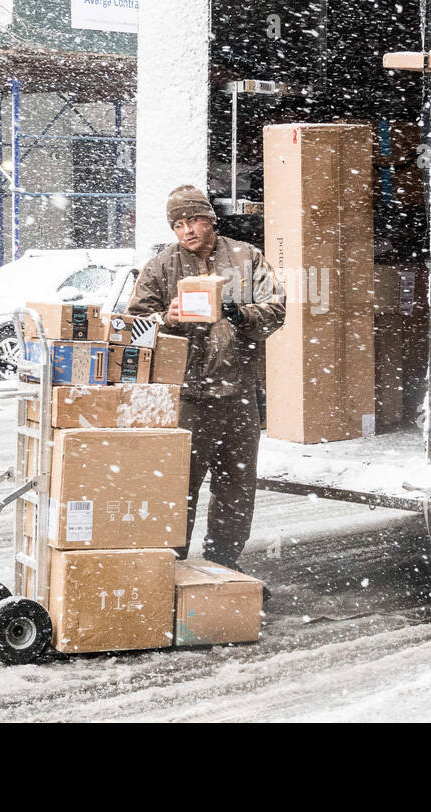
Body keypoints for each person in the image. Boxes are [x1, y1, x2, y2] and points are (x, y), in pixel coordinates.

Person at [128, 184, 285, 572]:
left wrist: (239, 314)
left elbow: (277, 310)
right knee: (177, 489)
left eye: (194, 219)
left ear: (210, 219)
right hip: (188, 398)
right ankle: (172, 568)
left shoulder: (245, 258)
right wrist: (168, 319)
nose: (187, 231)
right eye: (178, 224)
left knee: (236, 490)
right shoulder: (162, 266)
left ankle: (222, 565)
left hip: (240, 395)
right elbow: (132, 328)